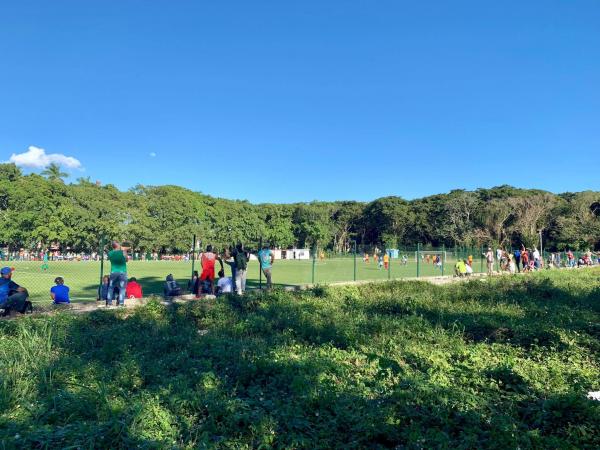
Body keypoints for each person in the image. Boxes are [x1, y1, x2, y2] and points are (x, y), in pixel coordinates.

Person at [107, 241, 129, 306]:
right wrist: (124, 251)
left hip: (113, 272)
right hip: (122, 272)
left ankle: (109, 303)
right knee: (122, 288)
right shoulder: (122, 252)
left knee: (111, 288)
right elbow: (127, 260)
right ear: (117, 245)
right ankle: (121, 303)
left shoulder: (110, 253)